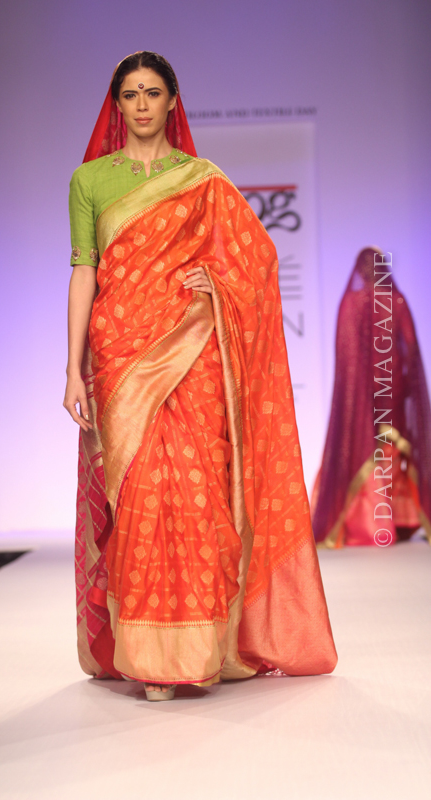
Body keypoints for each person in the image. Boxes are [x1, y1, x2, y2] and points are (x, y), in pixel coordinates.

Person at [64, 51, 337, 701]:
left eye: (152, 92)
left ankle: (201, 646)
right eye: (130, 94)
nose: (141, 105)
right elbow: (83, 271)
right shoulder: (89, 180)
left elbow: (257, 259)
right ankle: (148, 655)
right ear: (116, 103)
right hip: (120, 352)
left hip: (192, 350)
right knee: (137, 496)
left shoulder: (202, 179)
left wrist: (217, 284)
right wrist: (72, 368)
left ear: (172, 100)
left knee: (197, 491)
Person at [312, 247, 431, 547]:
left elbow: (345, 355)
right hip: (394, 386)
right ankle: (399, 518)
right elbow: (410, 345)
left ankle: (365, 523)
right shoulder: (395, 300)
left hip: (359, 392)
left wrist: (355, 389)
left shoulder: (349, 303)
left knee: (360, 444)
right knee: (392, 447)